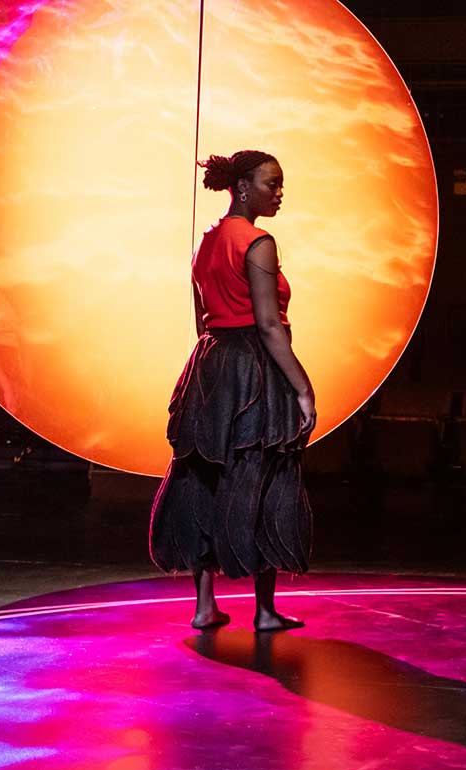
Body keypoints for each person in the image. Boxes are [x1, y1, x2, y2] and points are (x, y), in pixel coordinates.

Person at [150, 149, 315, 632]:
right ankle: (264, 611)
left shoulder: (207, 242)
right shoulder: (258, 242)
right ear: (243, 187)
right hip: (253, 368)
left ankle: (205, 607)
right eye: (272, 183)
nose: (279, 193)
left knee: (205, 477)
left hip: (211, 365)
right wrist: (302, 388)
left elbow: (202, 320)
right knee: (261, 475)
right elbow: (268, 325)